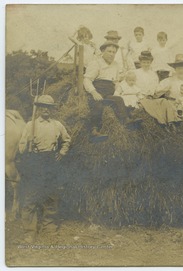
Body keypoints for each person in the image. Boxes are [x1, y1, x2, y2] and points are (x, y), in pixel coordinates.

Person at [18, 95, 71, 242]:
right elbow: (21, 146)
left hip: (50, 161)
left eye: (48, 107)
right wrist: (27, 145)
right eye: (42, 107)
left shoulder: (57, 125)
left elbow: (67, 140)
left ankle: (49, 228)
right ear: (38, 109)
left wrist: (61, 152)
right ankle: (29, 231)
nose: (45, 110)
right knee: (31, 196)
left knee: (51, 196)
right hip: (35, 160)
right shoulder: (30, 125)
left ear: (52, 109)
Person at [84, 41, 138, 142]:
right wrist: (94, 92)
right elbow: (87, 80)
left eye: (114, 52)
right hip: (98, 91)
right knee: (98, 105)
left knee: (118, 100)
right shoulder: (96, 63)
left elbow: (116, 81)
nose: (112, 54)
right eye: (109, 51)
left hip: (109, 93)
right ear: (102, 52)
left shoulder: (116, 65)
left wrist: (117, 88)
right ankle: (94, 131)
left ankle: (126, 121)